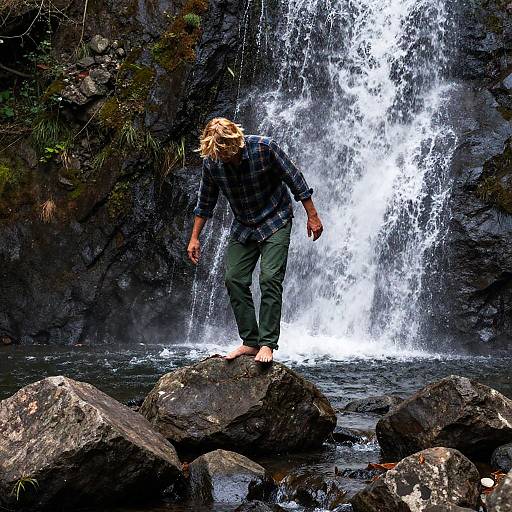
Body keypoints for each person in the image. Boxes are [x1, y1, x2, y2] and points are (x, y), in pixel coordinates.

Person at [187, 118, 323, 362]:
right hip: (244, 226)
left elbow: (296, 180)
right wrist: (194, 238)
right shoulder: (213, 163)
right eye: (218, 154)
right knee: (234, 279)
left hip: (275, 219)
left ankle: (267, 344)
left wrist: (312, 216)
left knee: (270, 278)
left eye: (226, 153)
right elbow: (205, 201)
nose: (224, 159)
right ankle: (250, 341)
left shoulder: (264, 148)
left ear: (236, 142)